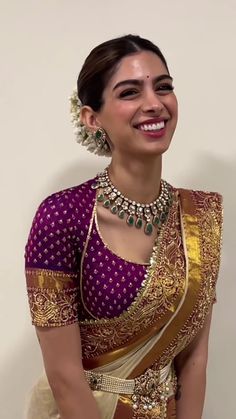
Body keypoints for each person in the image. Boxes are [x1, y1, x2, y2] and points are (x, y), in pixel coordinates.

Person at [24, 34, 223, 419]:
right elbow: (64, 374)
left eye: (163, 87)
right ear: (92, 117)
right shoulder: (62, 217)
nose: (154, 104)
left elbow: (194, 358)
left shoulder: (199, 218)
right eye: (130, 92)